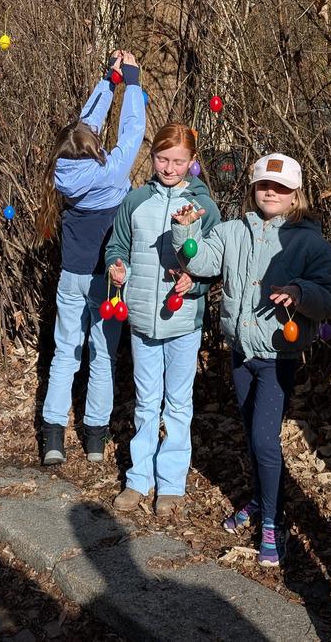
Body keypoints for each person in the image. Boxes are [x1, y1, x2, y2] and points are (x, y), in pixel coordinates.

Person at [171, 152, 331, 567]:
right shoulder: (232, 231)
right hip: (240, 353)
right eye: (264, 185)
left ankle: (275, 520)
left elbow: (330, 296)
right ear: (252, 188)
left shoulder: (308, 241)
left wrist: (301, 291)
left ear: (295, 194)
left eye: (281, 188)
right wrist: (185, 231)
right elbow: (200, 259)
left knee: (266, 440)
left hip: (277, 356)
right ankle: (261, 500)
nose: (271, 192)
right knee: (252, 434)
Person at [35, 51, 146, 466]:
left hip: (71, 278)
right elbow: (132, 131)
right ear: (95, 149)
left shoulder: (60, 172)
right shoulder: (110, 172)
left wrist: (108, 81)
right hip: (107, 279)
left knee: (65, 353)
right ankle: (95, 440)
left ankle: (52, 438)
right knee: (103, 354)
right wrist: (131, 83)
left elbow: (83, 128)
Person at [104, 122, 219, 518]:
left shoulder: (204, 208)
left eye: (178, 161)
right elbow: (118, 244)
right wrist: (116, 265)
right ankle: (138, 479)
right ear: (151, 158)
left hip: (184, 320)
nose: (169, 168)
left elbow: (214, 261)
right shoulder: (135, 201)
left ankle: (171, 483)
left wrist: (197, 282)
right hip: (141, 317)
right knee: (146, 400)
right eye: (162, 159)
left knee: (178, 403)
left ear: (192, 163)